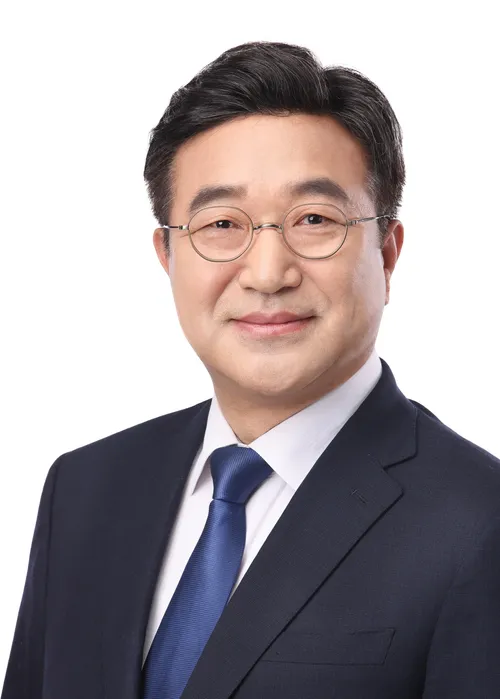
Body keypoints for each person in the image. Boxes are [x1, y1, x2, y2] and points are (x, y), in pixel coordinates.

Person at [3, 40, 500, 699]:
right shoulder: (85, 489)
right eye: (221, 224)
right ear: (167, 255)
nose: (267, 273)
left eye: (314, 219)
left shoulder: (479, 522)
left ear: (387, 253)